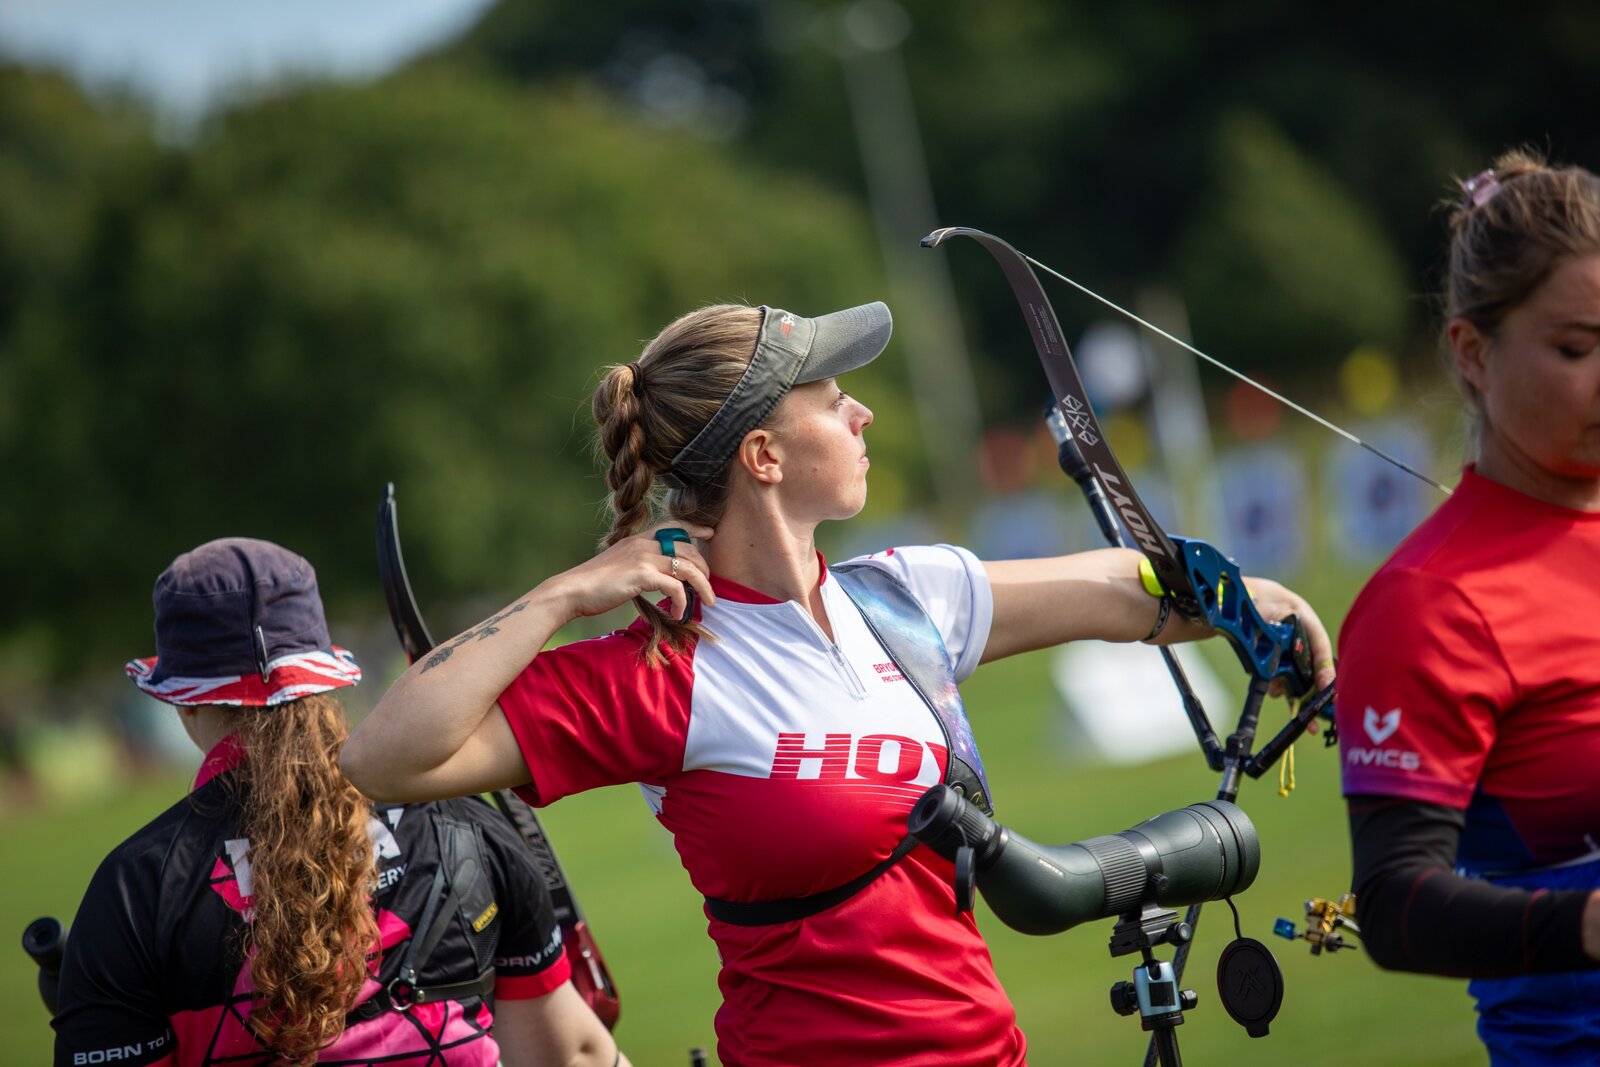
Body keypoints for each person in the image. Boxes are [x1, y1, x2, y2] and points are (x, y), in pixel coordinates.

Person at [341, 300, 1335, 1066]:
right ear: (764, 455)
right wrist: (570, 590)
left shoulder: (905, 598)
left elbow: (1122, 590)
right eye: (829, 397)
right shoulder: (657, 676)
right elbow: (384, 757)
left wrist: (1254, 601)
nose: (860, 409)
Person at [52, 538, 627, 1067]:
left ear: (185, 704)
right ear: (327, 679)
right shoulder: (463, 828)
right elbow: (570, 1054)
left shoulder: (137, 887)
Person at [1336, 150, 1600, 1063]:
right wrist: (1589, 923)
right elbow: (1395, 903)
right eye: (1576, 348)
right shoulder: (1428, 602)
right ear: (1474, 353)